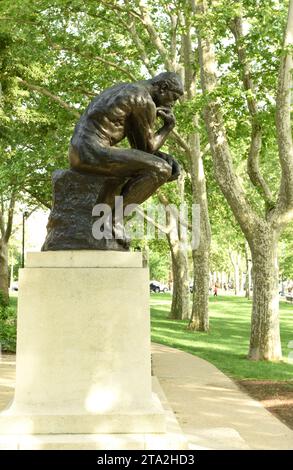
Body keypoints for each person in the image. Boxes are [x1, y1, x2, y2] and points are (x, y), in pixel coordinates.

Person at [69, 72, 183, 210]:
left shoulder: (128, 89)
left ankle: (109, 216)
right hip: (92, 152)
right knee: (161, 169)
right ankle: (114, 219)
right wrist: (168, 127)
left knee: (159, 164)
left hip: (80, 150)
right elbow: (148, 149)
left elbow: (140, 148)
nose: (172, 104)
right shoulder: (143, 99)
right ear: (163, 87)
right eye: (174, 98)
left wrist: (165, 157)